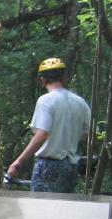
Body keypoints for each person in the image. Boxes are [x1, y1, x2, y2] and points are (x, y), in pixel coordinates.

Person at [7, 58, 91, 193]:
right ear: (64, 78)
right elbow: (89, 135)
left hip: (48, 166)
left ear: (42, 80)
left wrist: (19, 162)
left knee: (41, 211)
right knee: (63, 210)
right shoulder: (80, 102)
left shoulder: (46, 100)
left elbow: (42, 134)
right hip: (71, 166)